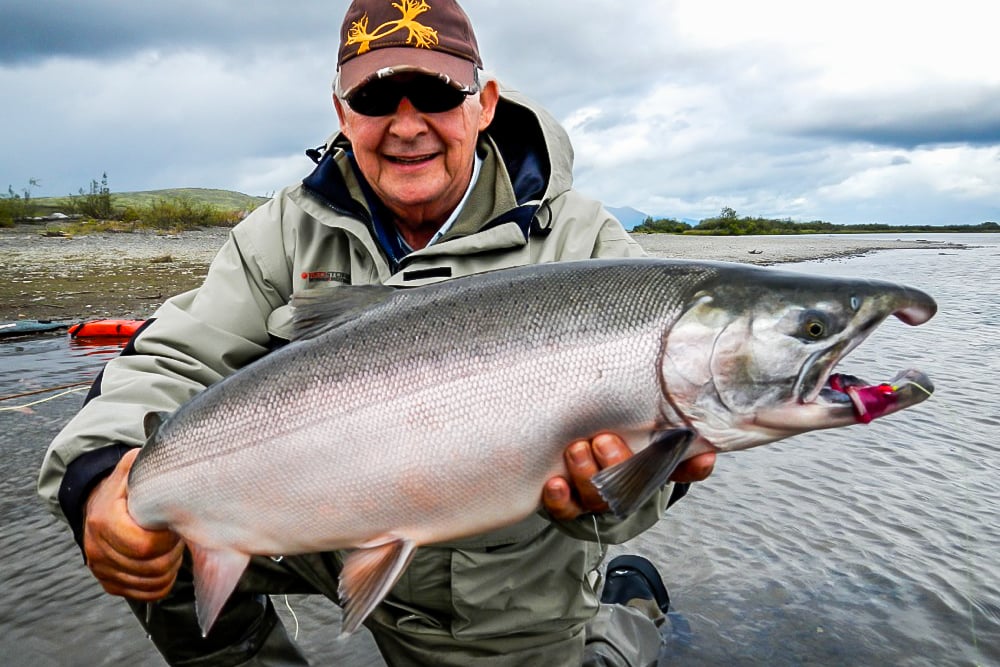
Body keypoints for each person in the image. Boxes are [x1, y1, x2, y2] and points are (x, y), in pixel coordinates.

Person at [37, 1, 716, 664]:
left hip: (493, 586)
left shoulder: (584, 243)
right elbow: (167, 357)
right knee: (145, 515)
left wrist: (639, 482)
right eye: (376, 100)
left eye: (435, 93)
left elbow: (666, 445)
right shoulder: (287, 229)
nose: (407, 125)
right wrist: (99, 485)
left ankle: (625, 618)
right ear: (341, 114)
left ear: (485, 104)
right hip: (317, 523)